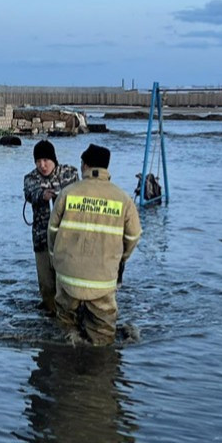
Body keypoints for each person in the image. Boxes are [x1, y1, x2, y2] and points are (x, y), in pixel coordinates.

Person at [48, 144, 142, 345]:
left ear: (85, 165)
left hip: (67, 276)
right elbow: (134, 236)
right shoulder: (123, 199)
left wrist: (55, 258)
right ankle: (100, 366)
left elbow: (52, 231)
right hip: (102, 280)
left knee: (65, 326)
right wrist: (120, 259)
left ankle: (65, 361)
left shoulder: (68, 193)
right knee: (102, 335)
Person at [23, 140, 79, 314]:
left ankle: (68, 315)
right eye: (38, 161)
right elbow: (31, 193)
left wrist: (60, 196)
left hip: (67, 240)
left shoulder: (69, 173)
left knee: (68, 284)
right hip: (42, 239)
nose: (42, 165)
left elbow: (78, 194)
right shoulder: (31, 178)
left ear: (54, 159)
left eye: (46, 160)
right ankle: (49, 313)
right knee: (46, 285)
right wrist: (43, 195)